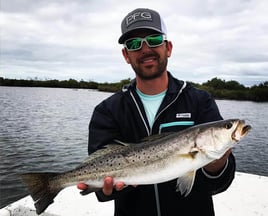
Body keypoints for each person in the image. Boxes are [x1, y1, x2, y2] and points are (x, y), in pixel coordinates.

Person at [77, 8, 235, 216]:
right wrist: (104, 189)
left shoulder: (199, 101)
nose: (145, 49)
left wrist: (218, 164)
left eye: (153, 40)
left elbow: (219, 184)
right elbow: (102, 191)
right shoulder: (108, 111)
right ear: (126, 55)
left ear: (168, 48)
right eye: (134, 44)